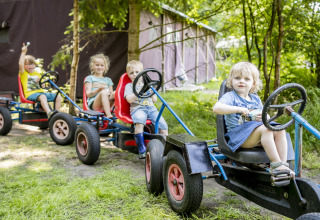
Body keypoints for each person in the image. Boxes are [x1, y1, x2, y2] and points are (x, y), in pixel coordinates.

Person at [212, 62, 294, 176]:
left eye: (246, 79)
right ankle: (275, 164)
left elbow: (263, 115)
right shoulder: (230, 97)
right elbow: (216, 108)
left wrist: (266, 117)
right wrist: (238, 109)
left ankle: (283, 165)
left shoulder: (255, 99)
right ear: (231, 81)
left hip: (253, 133)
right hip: (238, 136)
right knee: (266, 129)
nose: (241, 81)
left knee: (280, 129)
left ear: (253, 83)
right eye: (237, 78)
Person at [124, 60, 168, 159]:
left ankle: (165, 148)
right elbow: (129, 99)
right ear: (128, 75)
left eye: (137, 72)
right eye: (131, 73)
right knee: (140, 121)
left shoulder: (148, 84)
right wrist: (140, 90)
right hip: (138, 109)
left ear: (142, 72)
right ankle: (141, 148)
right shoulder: (129, 86)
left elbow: (154, 100)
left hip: (151, 109)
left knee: (163, 125)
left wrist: (150, 89)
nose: (134, 75)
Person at [19, 42, 61, 119]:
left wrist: (41, 83)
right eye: (28, 64)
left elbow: (43, 86)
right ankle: (49, 113)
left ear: (35, 65)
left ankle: (57, 115)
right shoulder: (23, 73)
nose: (30, 66)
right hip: (30, 94)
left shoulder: (37, 74)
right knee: (42, 96)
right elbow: (20, 65)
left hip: (41, 93)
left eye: (32, 64)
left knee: (58, 96)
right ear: (24, 66)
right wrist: (23, 52)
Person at [84, 53, 114, 118]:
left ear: (105, 67)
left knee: (116, 92)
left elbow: (112, 93)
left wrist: (110, 93)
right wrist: (98, 90)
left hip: (108, 103)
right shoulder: (90, 78)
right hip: (95, 104)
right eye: (97, 65)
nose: (99, 67)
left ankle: (122, 113)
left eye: (102, 65)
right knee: (103, 92)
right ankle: (108, 115)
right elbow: (88, 94)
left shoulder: (108, 80)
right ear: (92, 66)